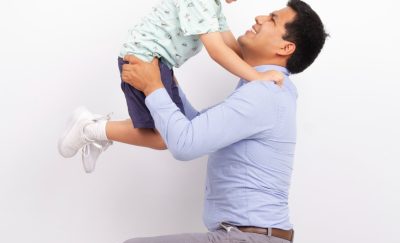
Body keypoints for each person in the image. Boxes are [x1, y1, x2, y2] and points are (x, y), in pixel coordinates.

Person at [59, 0, 327, 243]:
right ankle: (94, 129)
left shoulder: (264, 92)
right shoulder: (263, 88)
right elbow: (197, 126)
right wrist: (168, 85)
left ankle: (93, 128)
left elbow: (185, 144)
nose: (258, 17)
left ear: (285, 48)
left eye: (272, 19)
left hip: (250, 242)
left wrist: (153, 87)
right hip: (248, 238)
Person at [58, 0, 285, 172]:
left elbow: (230, 45)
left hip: (158, 61)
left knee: (167, 127)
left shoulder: (213, 7)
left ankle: (97, 130)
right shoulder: (201, 2)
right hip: (144, 58)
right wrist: (257, 77)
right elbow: (217, 51)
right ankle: (90, 128)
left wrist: (266, 69)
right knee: (165, 137)